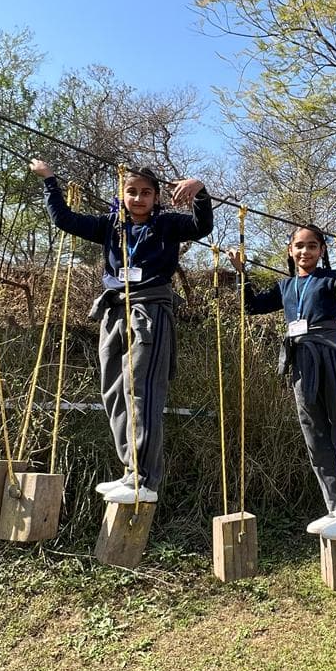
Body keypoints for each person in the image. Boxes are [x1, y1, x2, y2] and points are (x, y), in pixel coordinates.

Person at [29, 158, 213, 504]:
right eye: (131, 192)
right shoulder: (110, 225)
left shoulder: (169, 225)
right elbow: (64, 219)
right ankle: (130, 472)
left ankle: (145, 480)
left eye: (146, 193)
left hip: (150, 311)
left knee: (141, 392)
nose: (138, 198)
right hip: (114, 309)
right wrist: (49, 181)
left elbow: (201, 226)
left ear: (157, 197)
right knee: (114, 391)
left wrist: (200, 192)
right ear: (122, 194)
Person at [228, 225, 336, 541]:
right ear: (290, 250)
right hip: (300, 359)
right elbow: (251, 306)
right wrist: (242, 273)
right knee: (314, 432)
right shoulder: (286, 286)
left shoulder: (332, 280)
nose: (305, 252)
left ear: (321, 251)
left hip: (330, 353)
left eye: (312, 246)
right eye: (299, 246)